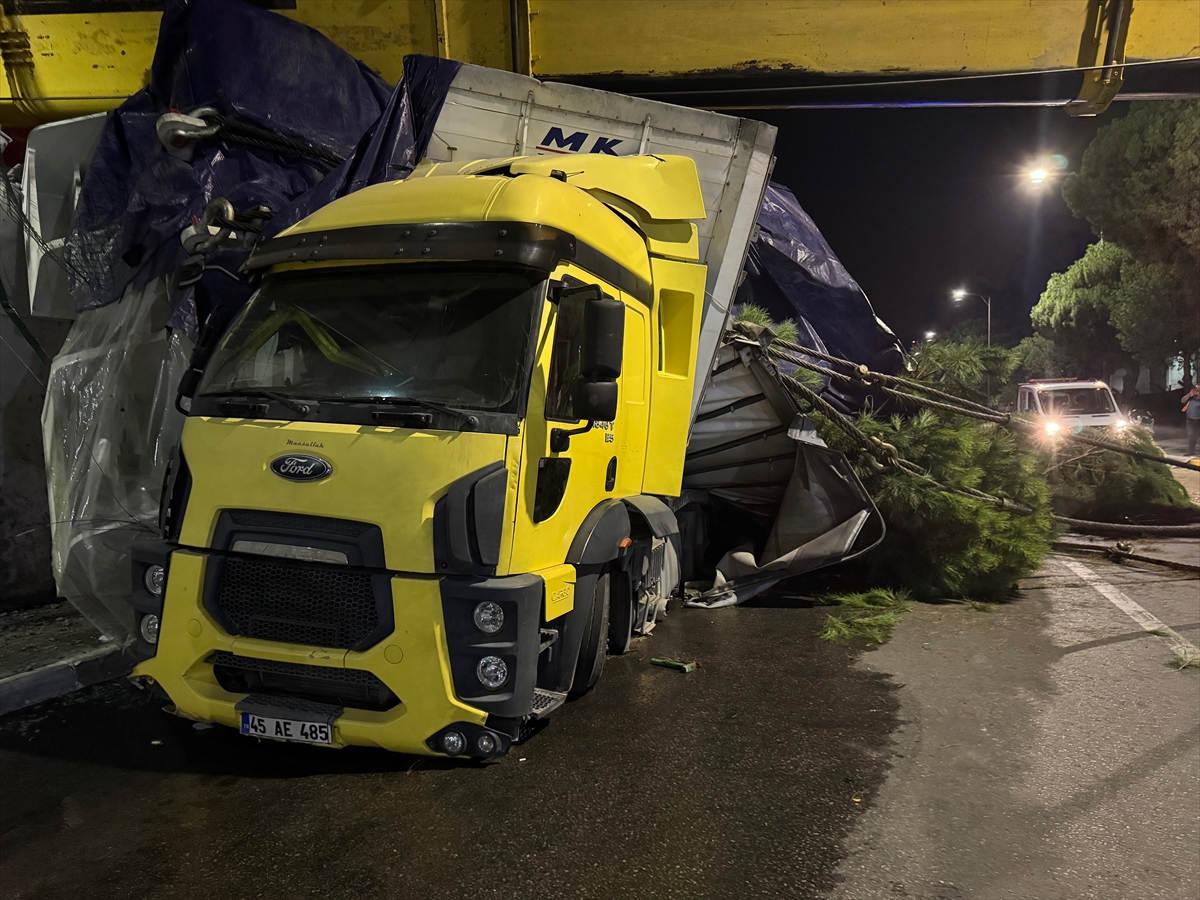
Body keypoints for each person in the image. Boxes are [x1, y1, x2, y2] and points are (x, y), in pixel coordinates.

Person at [1183, 382, 1200, 456]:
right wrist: (1190, 394)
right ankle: (1190, 451)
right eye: (1196, 389)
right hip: (1190, 419)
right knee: (1191, 436)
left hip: (1199, 419)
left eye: (1198, 389)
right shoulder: (1191, 397)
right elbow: (1183, 400)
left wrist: (1199, 395)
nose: (1196, 390)